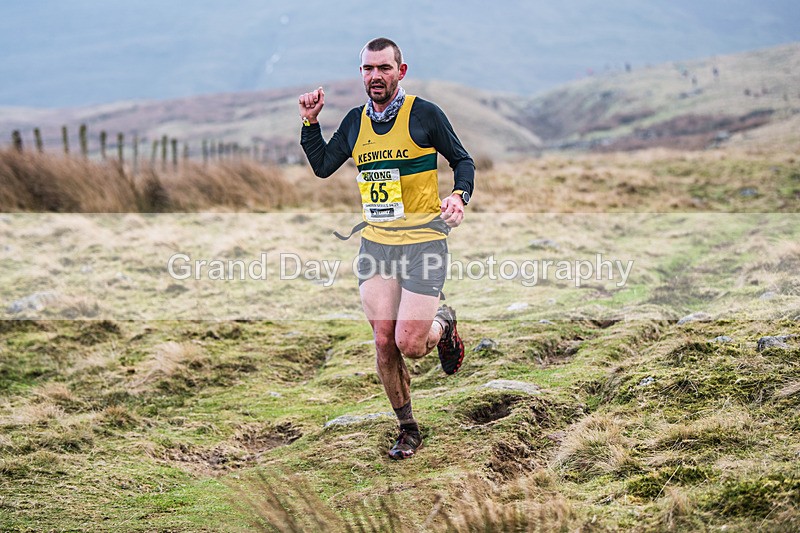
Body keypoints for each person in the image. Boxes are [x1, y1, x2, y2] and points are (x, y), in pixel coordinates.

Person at [298, 37, 475, 460]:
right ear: (361, 74)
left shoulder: (425, 115)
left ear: (401, 71)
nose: (375, 76)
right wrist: (309, 123)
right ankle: (408, 428)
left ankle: (443, 324)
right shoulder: (355, 122)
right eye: (367, 69)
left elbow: (462, 160)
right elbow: (323, 167)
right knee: (383, 340)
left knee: (410, 343)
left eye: (383, 68)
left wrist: (459, 196)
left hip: (423, 242)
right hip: (377, 246)